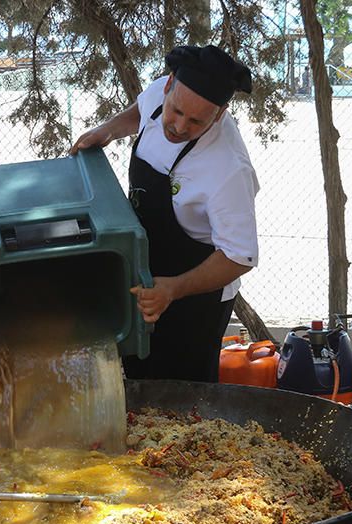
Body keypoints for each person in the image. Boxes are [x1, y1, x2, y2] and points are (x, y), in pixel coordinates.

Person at [69, 45, 259, 383]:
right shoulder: (160, 91)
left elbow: (238, 256)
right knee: (140, 379)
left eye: (197, 121)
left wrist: (173, 289)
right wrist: (108, 130)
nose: (180, 126)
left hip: (196, 296)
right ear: (169, 84)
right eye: (176, 111)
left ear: (220, 114)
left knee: (183, 397)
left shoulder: (228, 169)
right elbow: (141, 112)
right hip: (147, 272)